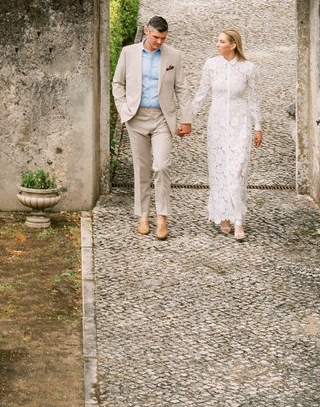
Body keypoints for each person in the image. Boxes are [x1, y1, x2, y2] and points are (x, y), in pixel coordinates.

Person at [111, 15, 192, 240]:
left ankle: (162, 217)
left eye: (163, 38)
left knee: (162, 165)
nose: (159, 42)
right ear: (147, 31)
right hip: (136, 117)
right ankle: (143, 215)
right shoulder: (128, 52)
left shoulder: (174, 55)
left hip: (162, 119)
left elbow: (182, 88)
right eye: (156, 37)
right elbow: (118, 83)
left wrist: (186, 119)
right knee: (141, 167)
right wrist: (123, 108)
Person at [190, 27, 263, 241]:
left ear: (233, 45)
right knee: (220, 169)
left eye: (221, 41)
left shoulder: (249, 69)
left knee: (238, 170)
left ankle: (238, 218)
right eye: (217, 41)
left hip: (240, 125)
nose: (217, 44)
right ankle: (222, 214)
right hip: (217, 125)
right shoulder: (211, 65)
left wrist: (258, 126)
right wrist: (187, 118)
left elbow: (254, 99)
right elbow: (201, 93)